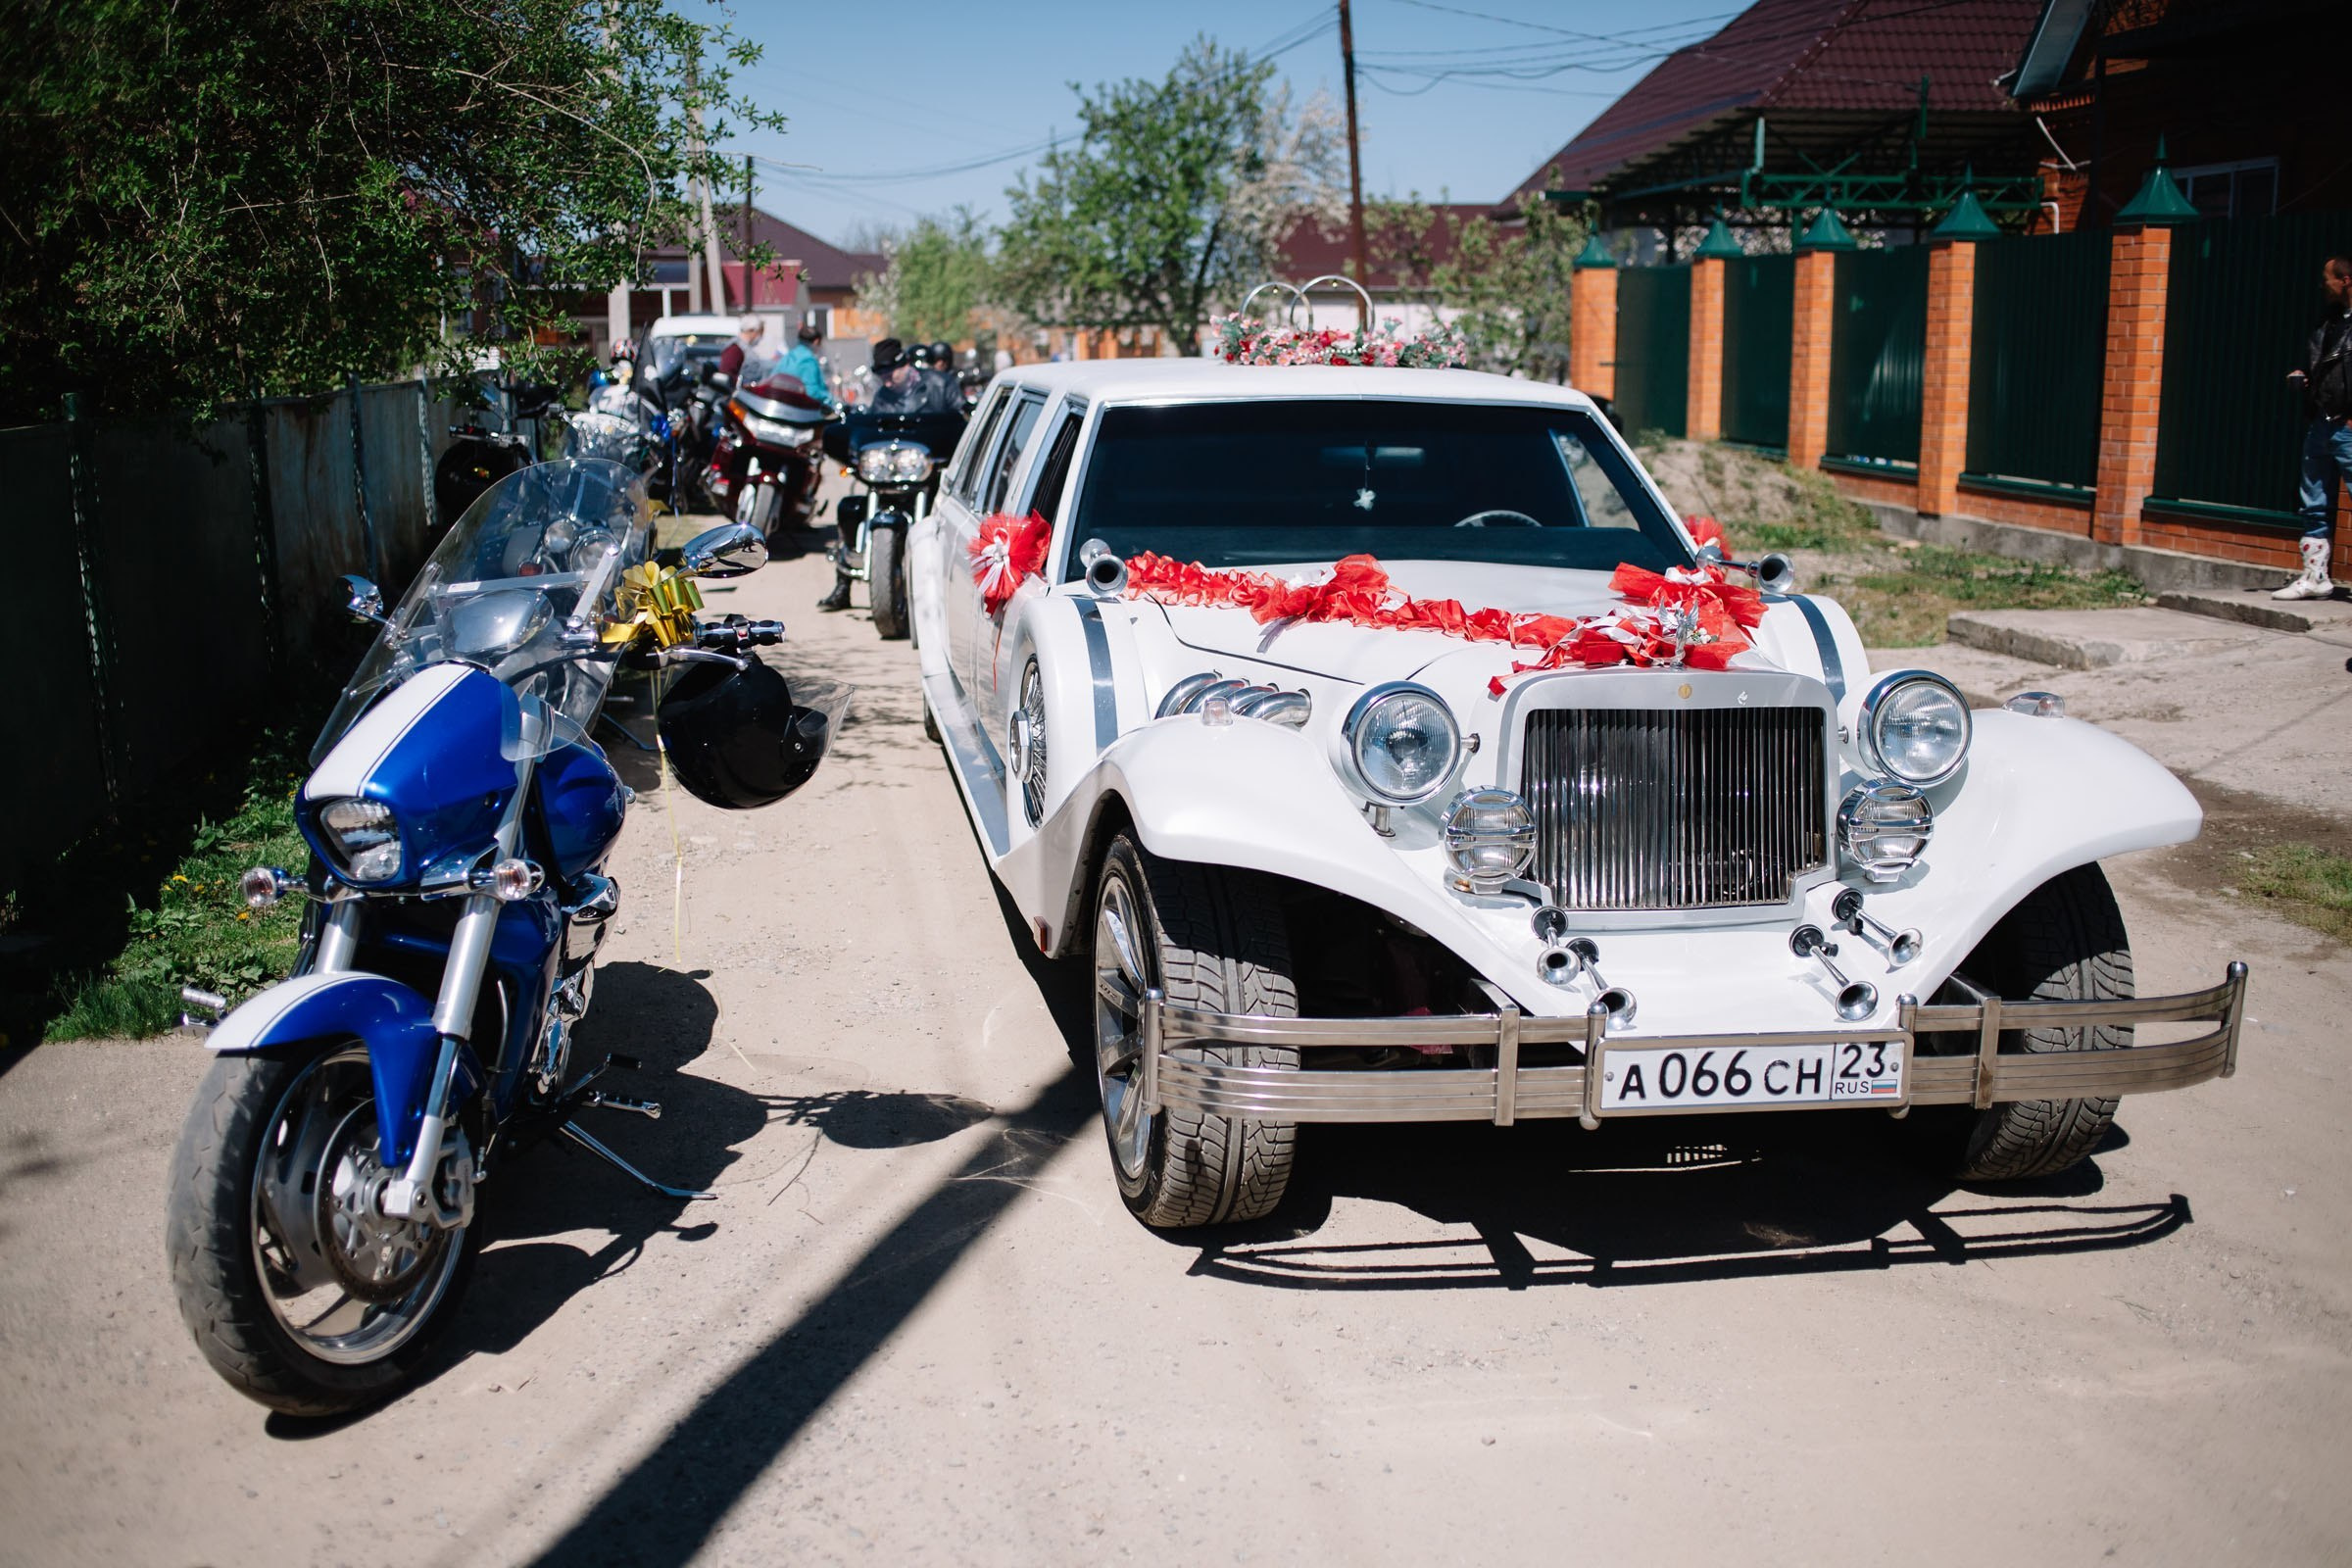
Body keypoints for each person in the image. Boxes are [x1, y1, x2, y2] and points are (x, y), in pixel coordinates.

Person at [2276, 254, 2352, 601]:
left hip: (2347, 426)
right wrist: (2304, 378)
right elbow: (2324, 365)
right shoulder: (2330, 321)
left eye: (2327, 278)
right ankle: (2315, 576)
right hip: (2321, 422)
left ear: (2345, 280)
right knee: (2314, 504)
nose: (2323, 284)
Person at [780, 318, 831, 405]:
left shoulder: (788, 357)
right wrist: (829, 399)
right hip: (800, 410)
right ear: (816, 341)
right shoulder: (808, 361)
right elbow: (812, 393)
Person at [716, 316, 771, 385]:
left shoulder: (743, 348)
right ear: (752, 330)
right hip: (741, 394)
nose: (761, 336)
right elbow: (726, 375)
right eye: (760, 332)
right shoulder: (735, 349)